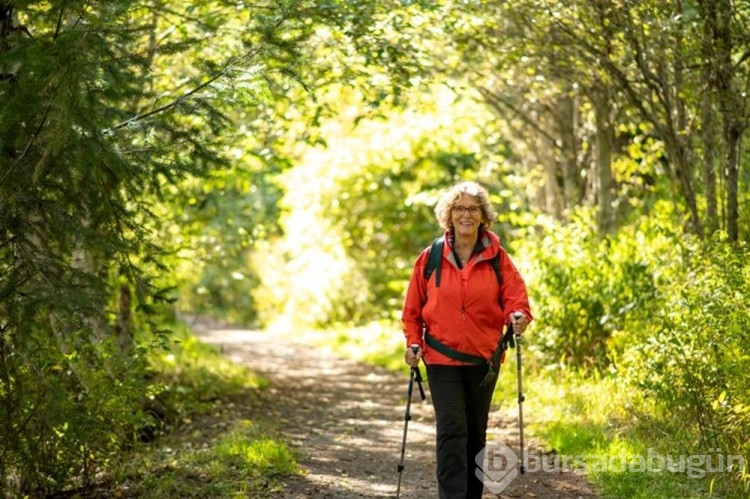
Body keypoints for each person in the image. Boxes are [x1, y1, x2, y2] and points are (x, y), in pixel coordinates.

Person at [401, 180, 532, 499]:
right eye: (459, 208)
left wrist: (518, 316)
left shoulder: (498, 258)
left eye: (473, 209)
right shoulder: (430, 257)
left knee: (475, 434)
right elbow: (413, 309)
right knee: (451, 430)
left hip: (483, 360)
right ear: (449, 214)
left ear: (483, 216)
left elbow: (516, 298)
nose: (466, 215)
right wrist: (413, 342)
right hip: (441, 358)